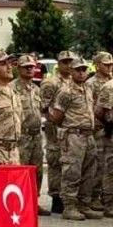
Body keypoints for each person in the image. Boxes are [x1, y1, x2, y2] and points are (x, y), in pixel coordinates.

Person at [51, 60, 102, 220]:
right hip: (74, 135)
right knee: (72, 172)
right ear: (71, 72)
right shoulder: (66, 91)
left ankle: (84, 204)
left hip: (89, 135)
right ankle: (69, 207)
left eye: (84, 70)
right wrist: (71, 127)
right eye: (78, 70)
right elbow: (57, 117)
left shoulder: (88, 88)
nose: (81, 72)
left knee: (89, 172)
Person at [13, 54, 48, 216]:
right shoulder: (12, 88)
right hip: (22, 136)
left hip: (36, 135)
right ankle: (19, 203)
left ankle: (34, 201)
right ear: (18, 68)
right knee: (21, 171)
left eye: (32, 67)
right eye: (26, 67)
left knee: (37, 171)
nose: (29, 69)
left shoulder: (36, 89)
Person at [43, 51, 77, 214]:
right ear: (59, 63)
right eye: (65, 62)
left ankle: (69, 197)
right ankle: (56, 198)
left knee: (70, 163)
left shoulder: (74, 81)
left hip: (71, 129)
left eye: (71, 61)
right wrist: (54, 121)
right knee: (56, 161)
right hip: (55, 129)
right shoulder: (51, 82)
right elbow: (44, 107)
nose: (69, 65)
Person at [91, 52, 113, 217]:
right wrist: (106, 124)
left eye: (111, 64)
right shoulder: (93, 84)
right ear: (97, 65)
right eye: (106, 64)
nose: (109, 67)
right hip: (101, 129)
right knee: (102, 166)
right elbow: (96, 111)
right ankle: (98, 198)